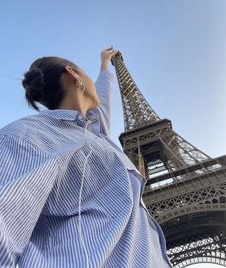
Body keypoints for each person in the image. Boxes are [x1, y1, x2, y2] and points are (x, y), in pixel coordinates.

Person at [0, 47, 173, 268]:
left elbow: (102, 100)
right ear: (73, 74)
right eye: (88, 75)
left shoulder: (95, 137)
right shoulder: (29, 135)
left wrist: (105, 64)